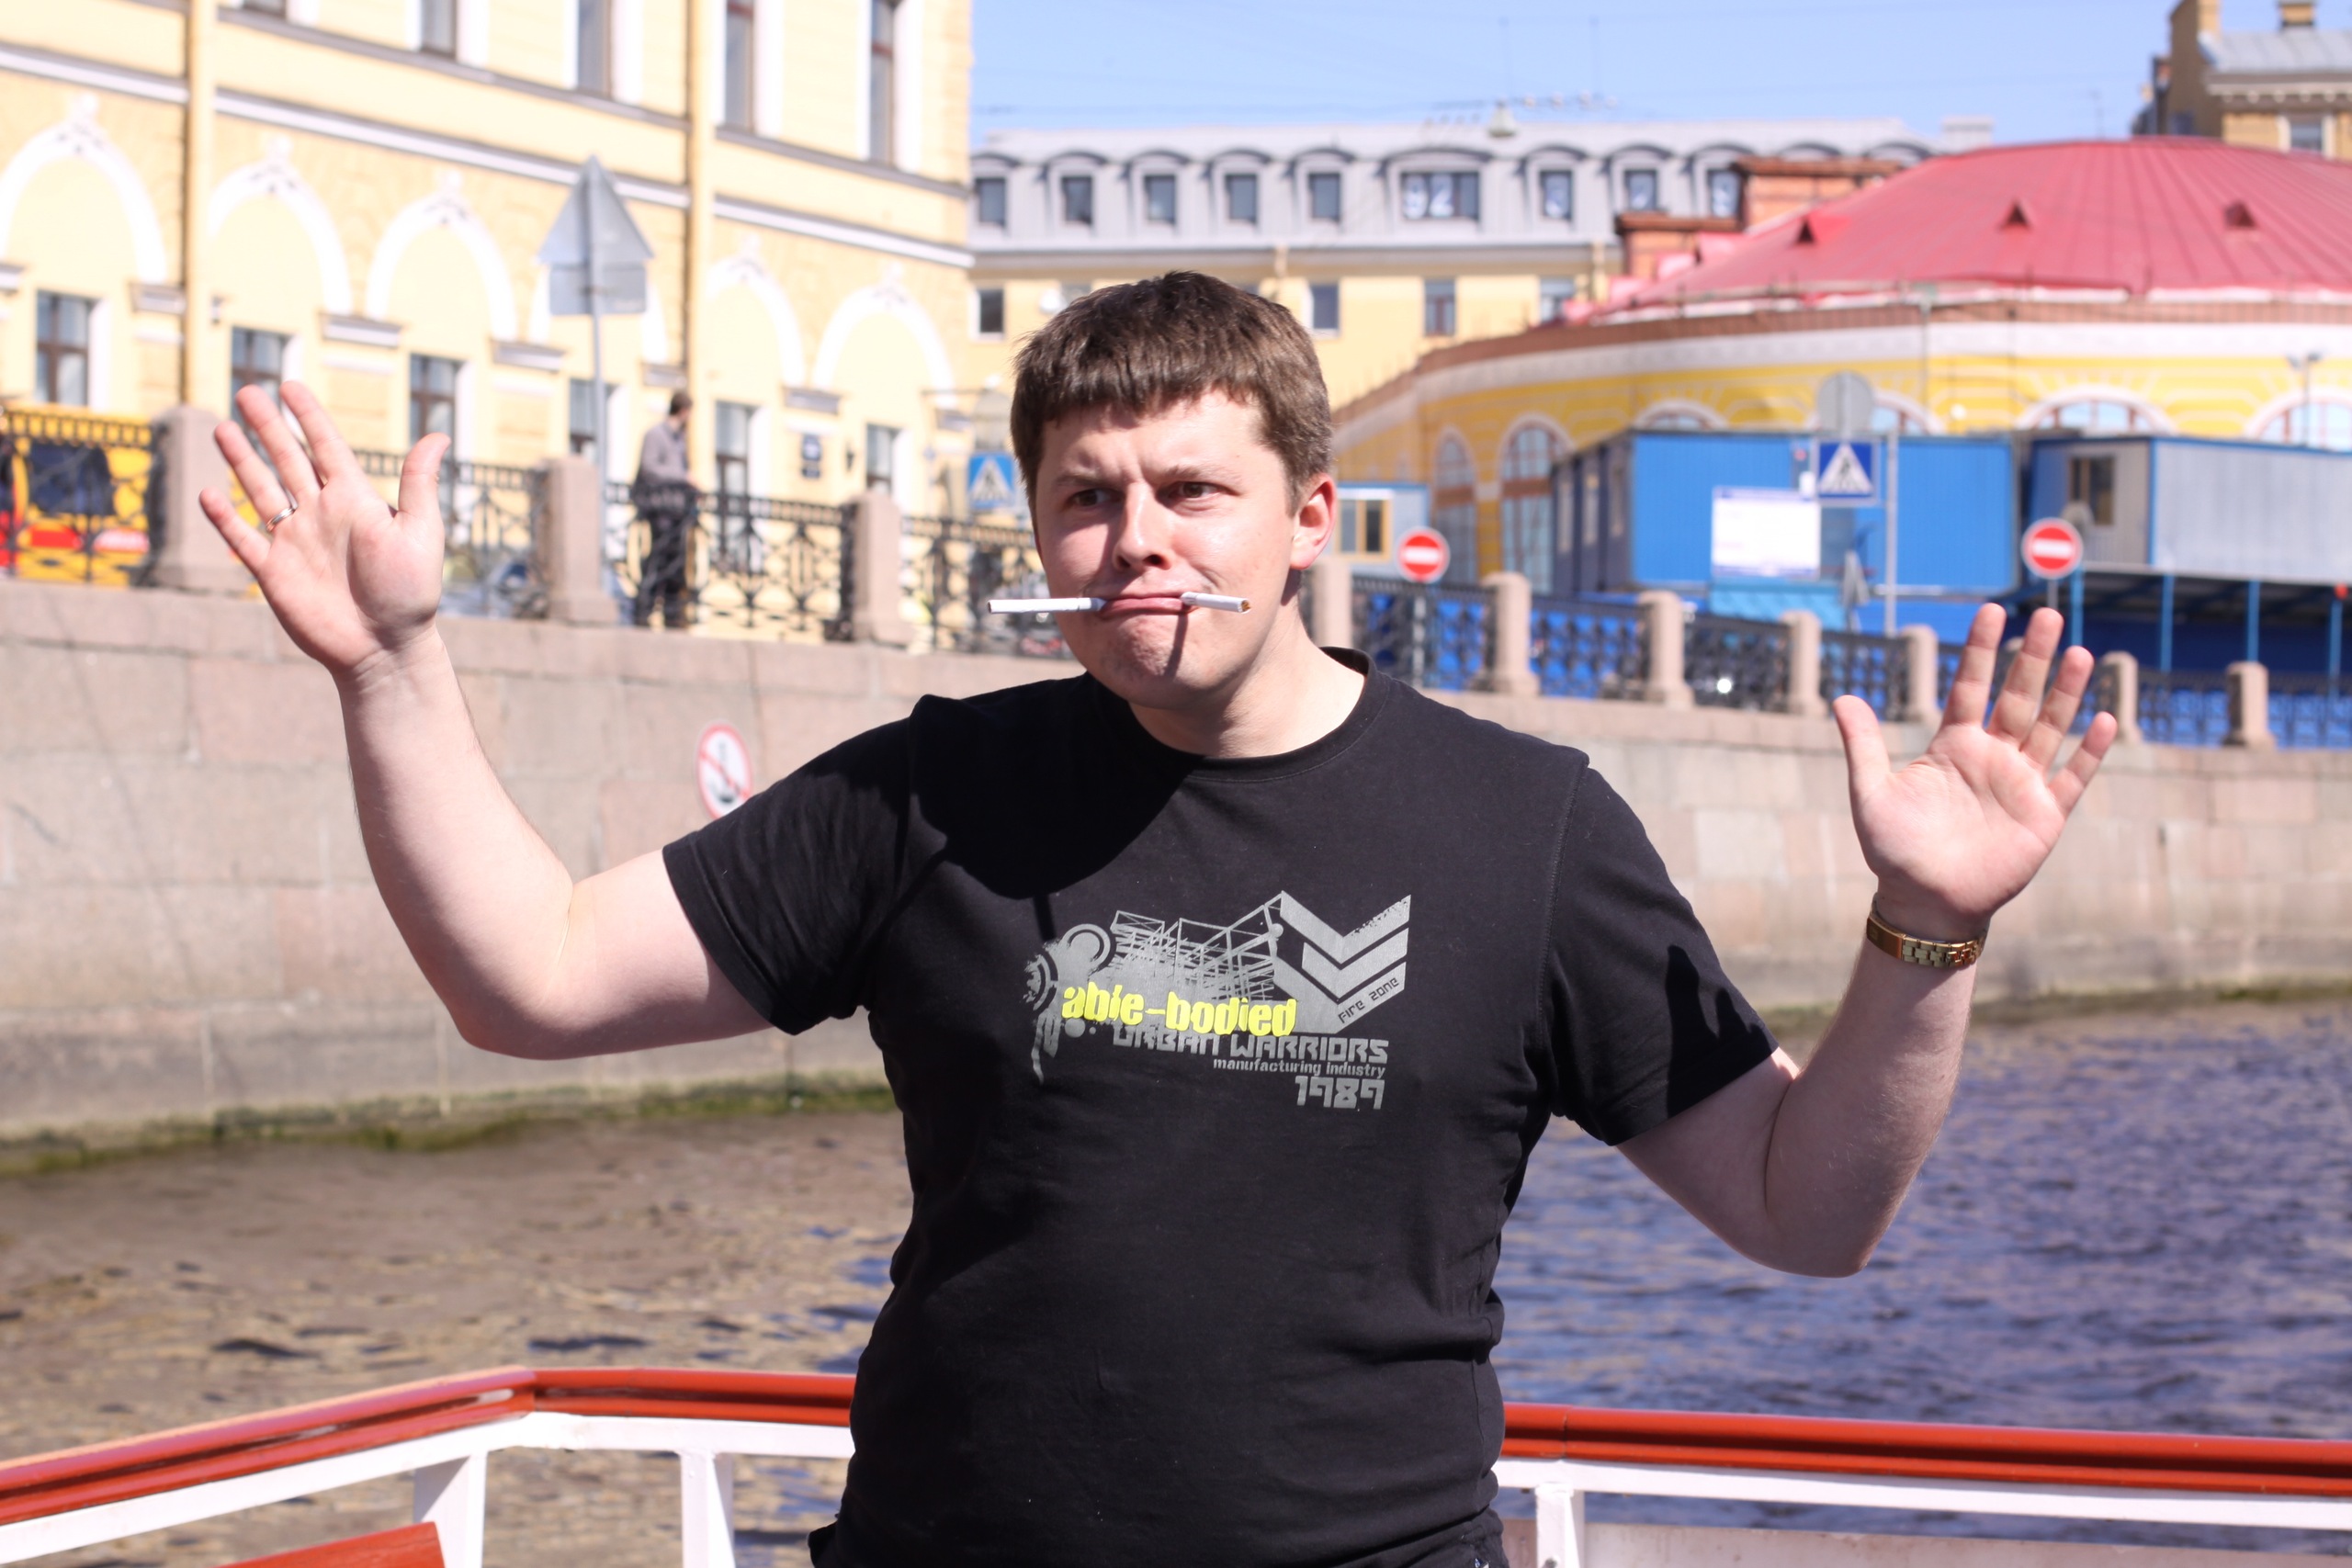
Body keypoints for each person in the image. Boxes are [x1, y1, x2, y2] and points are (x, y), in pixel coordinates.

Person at [195, 272, 2115, 1568]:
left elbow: (1802, 1205)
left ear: (1310, 518)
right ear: (1039, 528)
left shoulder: (1525, 829)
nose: (1138, 543)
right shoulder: (928, 792)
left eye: (1195, 489)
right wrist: (388, 663)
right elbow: (528, 976)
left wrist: (1921, 929)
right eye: (1086, 497)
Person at [632, 390, 695, 627]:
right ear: (684, 411)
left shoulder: (680, 439)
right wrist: (683, 477)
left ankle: (672, 613)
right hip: (659, 508)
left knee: (676, 561)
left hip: (677, 509)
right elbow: (649, 467)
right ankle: (644, 610)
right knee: (658, 559)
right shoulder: (656, 435)